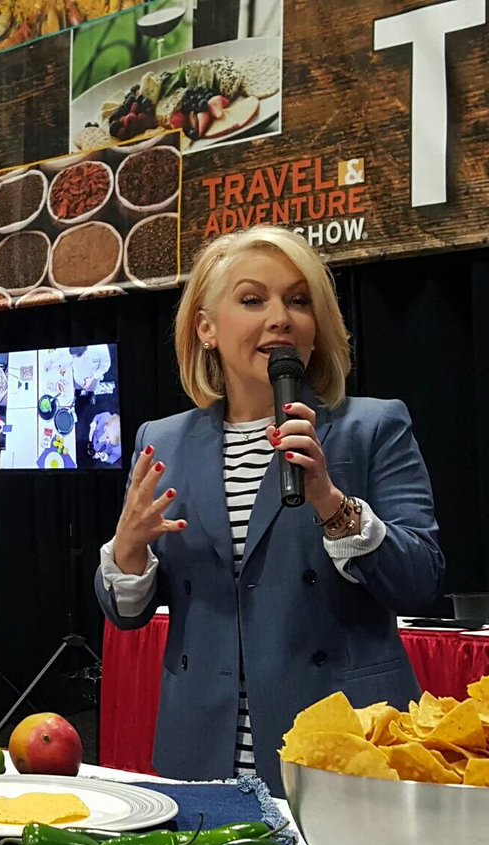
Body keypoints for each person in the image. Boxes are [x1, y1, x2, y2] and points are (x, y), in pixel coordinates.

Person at [95, 225, 444, 795]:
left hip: (346, 744)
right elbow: (127, 614)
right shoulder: (163, 441)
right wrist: (129, 549)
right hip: (203, 748)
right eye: (253, 299)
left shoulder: (372, 426)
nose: (280, 317)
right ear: (206, 328)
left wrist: (332, 505)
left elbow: (421, 579)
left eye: (299, 300)